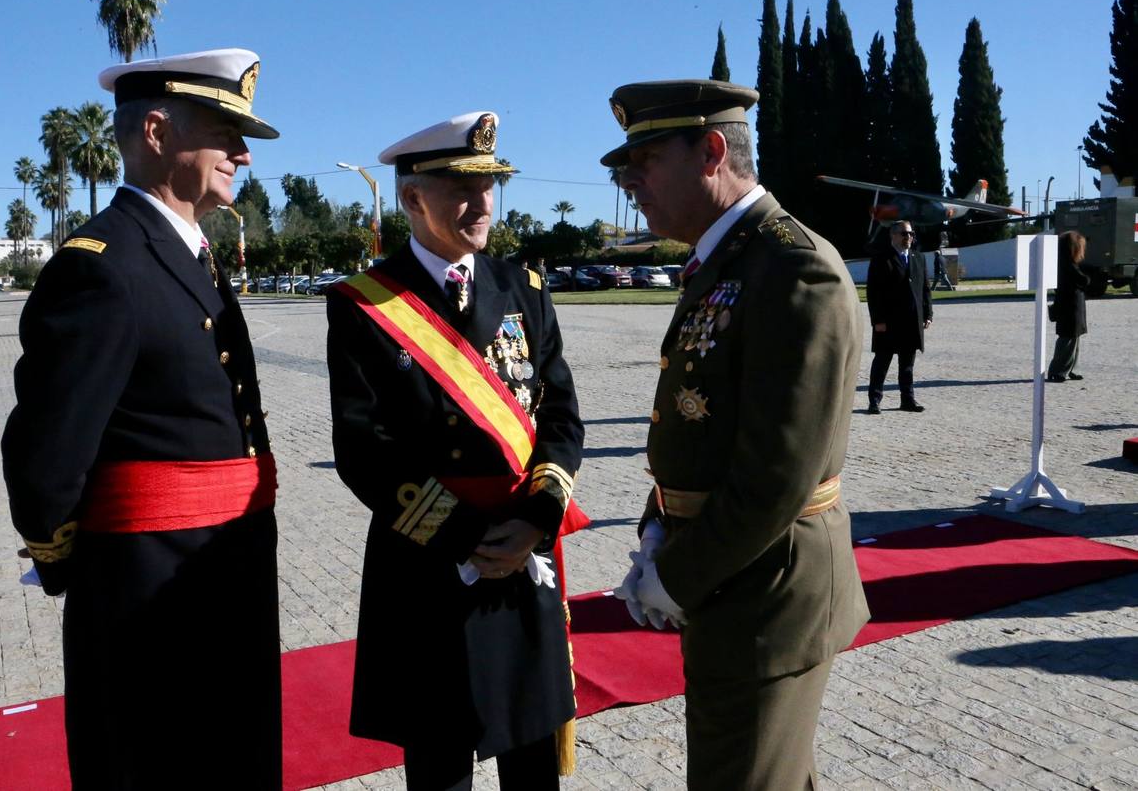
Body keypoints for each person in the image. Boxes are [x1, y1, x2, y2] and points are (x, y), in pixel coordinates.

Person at [2, 48, 283, 788]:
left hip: (224, 569)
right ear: (156, 131)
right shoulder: (103, 263)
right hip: (146, 595)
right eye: (224, 131)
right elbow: (45, 455)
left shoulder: (187, 254)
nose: (242, 153)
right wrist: (71, 562)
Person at [604, 79, 869, 790]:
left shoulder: (790, 266)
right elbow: (703, 430)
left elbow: (777, 473)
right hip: (732, 573)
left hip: (764, 585)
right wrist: (659, 527)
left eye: (647, 158)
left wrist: (675, 576)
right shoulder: (728, 260)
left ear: (711, 151)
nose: (629, 180)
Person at [326, 111, 585, 791]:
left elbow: (559, 411)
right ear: (413, 199)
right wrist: (468, 538)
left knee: (532, 758)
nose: (481, 205)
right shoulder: (364, 304)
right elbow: (364, 449)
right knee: (439, 760)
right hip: (430, 558)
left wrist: (537, 517)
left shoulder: (521, 289)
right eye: (461, 188)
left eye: (490, 186)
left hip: (523, 551)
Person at [866, 220, 933, 413]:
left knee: (907, 366)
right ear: (893, 236)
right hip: (888, 322)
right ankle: (874, 401)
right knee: (882, 363)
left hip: (911, 321)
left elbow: (925, 289)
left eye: (911, 234)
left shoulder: (918, 258)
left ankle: (907, 400)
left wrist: (927, 314)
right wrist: (877, 320)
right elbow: (874, 293)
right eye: (904, 234)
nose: (909, 238)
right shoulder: (881, 259)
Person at [1048, 230, 1089, 382]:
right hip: (1070, 305)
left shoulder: (1061, 262)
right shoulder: (1068, 264)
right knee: (1068, 339)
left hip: (1071, 305)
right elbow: (1084, 280)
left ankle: (1070, 368)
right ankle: (1058, 370)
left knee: (1074, 338)